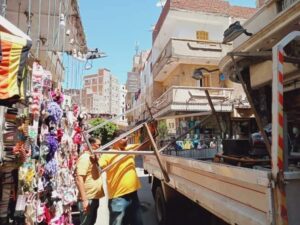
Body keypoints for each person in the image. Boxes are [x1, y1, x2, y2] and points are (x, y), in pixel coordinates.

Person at [99, 130, 144, 225]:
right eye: (124, 137)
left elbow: (144, 145)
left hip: (133, 194)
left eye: (127, 137)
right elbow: (99, 168)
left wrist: (152, 133)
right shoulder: (107, 154)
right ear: (116, 140)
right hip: (118, 198)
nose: (127, 139)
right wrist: (94, 162)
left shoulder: (129, 149)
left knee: (137, 222)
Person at [75, 137, 103, 225]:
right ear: (91, 145)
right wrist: (85, 200)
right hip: (88, 198)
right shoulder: (85, 158)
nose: (100, 147)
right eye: (98, 145)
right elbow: (79, 179)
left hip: (93, 197)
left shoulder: (92, 158)